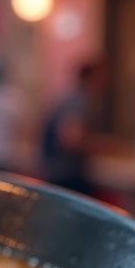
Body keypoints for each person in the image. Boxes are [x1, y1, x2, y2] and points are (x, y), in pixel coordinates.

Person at [42, 61, 100, 194]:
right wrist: (102, 147)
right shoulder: (79, 100)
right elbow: (71, 139)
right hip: (67, 173)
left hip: (55, 170)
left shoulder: (68, 97)